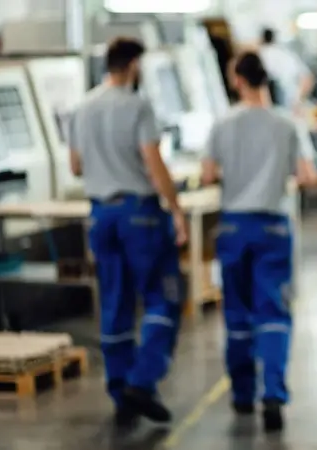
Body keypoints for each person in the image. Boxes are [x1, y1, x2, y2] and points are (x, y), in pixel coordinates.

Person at [67, 37, 189, 427]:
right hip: (140, 214)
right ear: (133, 66)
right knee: (162, 298)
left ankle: (121, 393)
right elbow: (153, 165)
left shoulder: (81, 107)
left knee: (115, 301)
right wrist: (176, 208)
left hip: (101, 214)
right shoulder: (138, 106)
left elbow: (75, 167)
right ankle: (142, 380)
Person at [200, 51, 317, 432]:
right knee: (274, 314)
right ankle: (272, 394)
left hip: (234, 227)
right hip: (273, 227)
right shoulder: (286, 125)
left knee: (236, 314)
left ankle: (241, 394)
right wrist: (274, 176)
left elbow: (206, 176)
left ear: (237, 80)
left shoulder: (222, 124)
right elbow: (307, 176)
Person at [258, 27, 314, 111]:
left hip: (269, 108)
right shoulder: (286, 54)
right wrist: (298, 100)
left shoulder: (260, 55)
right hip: (290, 105)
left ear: (262, 39)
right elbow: (307, 78)